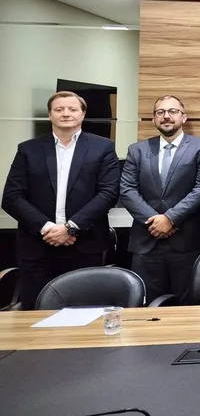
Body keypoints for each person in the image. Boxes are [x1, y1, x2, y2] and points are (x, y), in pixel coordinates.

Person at [1, 91, 120, 309]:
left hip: (84, 246)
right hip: (37, 247)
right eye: (59, 109)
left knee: (82, 311)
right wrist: (47, 228)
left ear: (83, 114)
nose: (66, 114)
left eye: (72, 109)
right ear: (50, 115)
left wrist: (71, 228)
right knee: (35, 312)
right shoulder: (28, 149)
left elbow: (108, 194)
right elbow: (11, 197)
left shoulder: (102, 147)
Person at [120, 96, 200, 304]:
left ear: (184, 117)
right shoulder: (137, 150)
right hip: (146, 243)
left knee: (188, 306)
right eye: (160, 112)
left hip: (187, 243)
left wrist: (171, 219)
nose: (166, 116)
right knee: (146, 307)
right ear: (154, 119)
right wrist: (156, 220)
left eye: (173, 111)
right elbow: (127, 190)